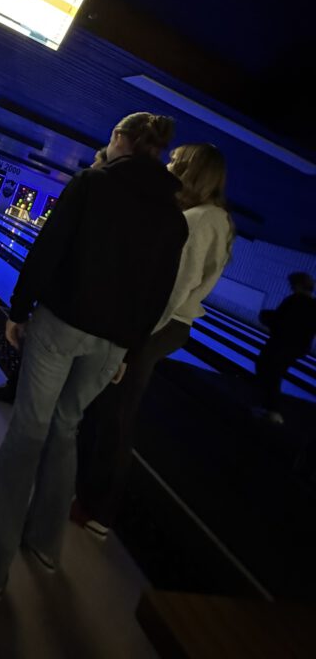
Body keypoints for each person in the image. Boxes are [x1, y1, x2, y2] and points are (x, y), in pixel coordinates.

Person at [0, 113, 187, 599]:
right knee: (67, 428)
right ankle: (45, 545)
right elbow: (158, 295)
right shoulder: (173, 217)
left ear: (120, 139)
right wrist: (130, 350)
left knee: (29, 432)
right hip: (113, 344)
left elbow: (49, 249)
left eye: (112, 137)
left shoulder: (92, 184)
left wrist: (19, 308)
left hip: (63, 325)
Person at [73, 143, 233, 539]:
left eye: (176, 161)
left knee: (117, 414)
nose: (169, 164)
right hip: (164, 323)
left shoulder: (200, 220)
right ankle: (90, 495)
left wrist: (131, 343)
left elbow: (175, 287)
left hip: (162, 323)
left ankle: (99, 510)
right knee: (112, 409)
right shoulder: (211, 216)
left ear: (193, 170)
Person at [0, 147, 110, 405]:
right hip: (96, 315)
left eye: (96, 161)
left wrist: (20, 307)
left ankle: (20, 395)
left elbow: (48, 250)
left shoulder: (86, 188)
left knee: (39, 354)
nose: (92, 165)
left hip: (62, 304)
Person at [254, 272, 316, 425]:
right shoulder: (313, 304)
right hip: (297, 347)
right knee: (273, 373)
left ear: (298, 284)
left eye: (292, 284)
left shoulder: (295, 300)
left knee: (268, 372)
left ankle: (272, 411)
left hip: (282, 344)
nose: (291, 286)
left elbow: (282, 321)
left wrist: (265, 317)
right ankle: (269, 409)